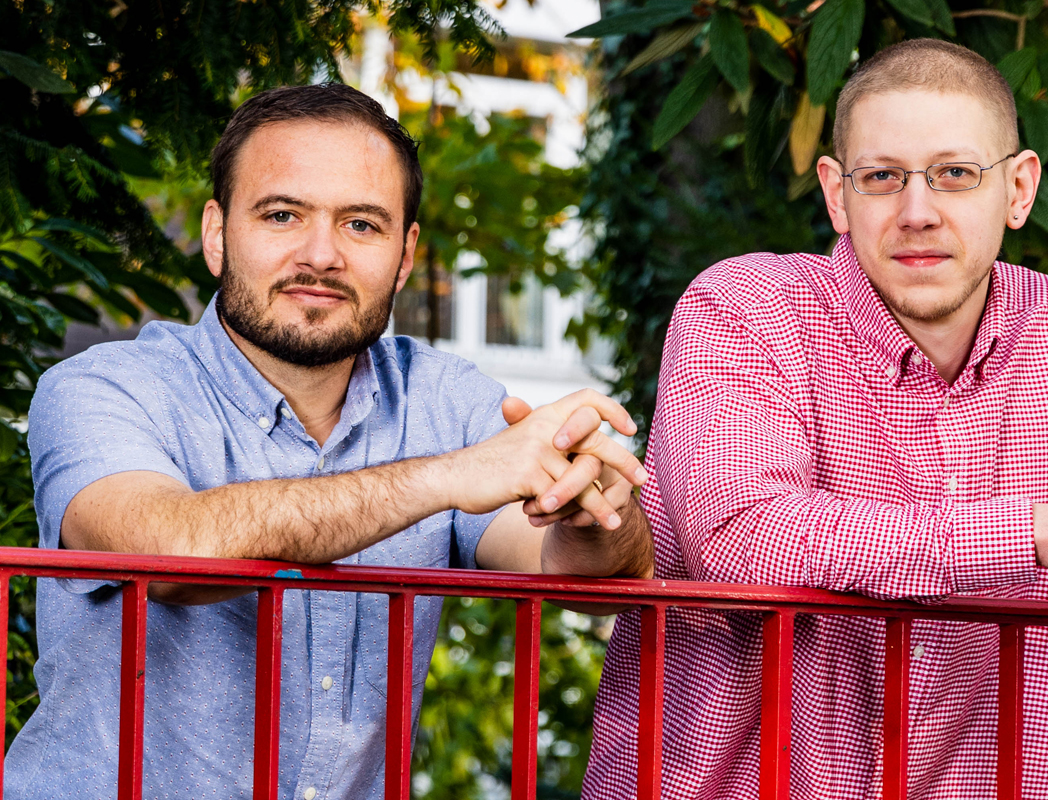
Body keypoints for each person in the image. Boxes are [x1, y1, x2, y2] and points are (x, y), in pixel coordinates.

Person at [580, 39, 1048, 800]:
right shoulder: (742, 311)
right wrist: (1041, 533)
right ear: (838, 194)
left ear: (1020, 188)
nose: (917, 212)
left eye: (955, 174)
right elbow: (741, 538)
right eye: (882, 178)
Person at [7, 83, 653, 800]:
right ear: (217, 235)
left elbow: (580, 579)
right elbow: (168, 556)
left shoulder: (443, 397)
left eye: (362, 225)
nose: (321, 255)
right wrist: (441, 479)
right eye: (282, 214)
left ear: (406, 255)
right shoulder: (102, 390)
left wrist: (593, 504)